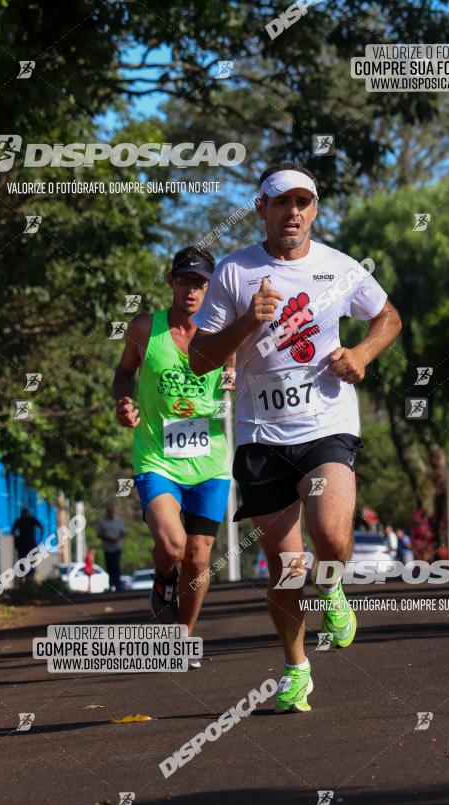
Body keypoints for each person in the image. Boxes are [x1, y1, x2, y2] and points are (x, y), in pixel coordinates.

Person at [189, 161, 402, 711]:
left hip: (327, 423)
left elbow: (389, 319)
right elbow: (199, 360)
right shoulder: (235, 274)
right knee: (286, 569)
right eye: (283, 202)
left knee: (330, 538)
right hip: (261, 434)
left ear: (315, 209)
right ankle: (294, 667)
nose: (294, 212)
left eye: (304, 202)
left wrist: (361, 353)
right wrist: (247, 323)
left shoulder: (339, 266)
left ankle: (331, 587)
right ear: (261, 209)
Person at [112, 246, 232, 652]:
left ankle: (183, 636)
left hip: (210, 462)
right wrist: (123, 402)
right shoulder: (145, 328)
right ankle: (163, 579)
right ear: (171, 282)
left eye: (200, 283)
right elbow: (124, 373)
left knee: (198, 560)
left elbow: (245, 376)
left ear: (210, 287)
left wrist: (234, 378)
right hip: (157, 456)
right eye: (185, 281)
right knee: (173, 546)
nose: (192, 290)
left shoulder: (223, 334)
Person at [95, 506, 126, 590]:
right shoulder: (102, 522)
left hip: (117, 547)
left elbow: (123, 532)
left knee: (116, 564)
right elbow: (98, 534)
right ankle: (111, 583)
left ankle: (118, 583)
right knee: (109, 566)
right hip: (107, 547)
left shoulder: (118, 520)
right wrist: (107, 539)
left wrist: (117, 539)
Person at [11, 507, 44, 584]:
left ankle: (27, 580)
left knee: (27, 562)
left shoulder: (27, 520)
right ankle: (25, 580)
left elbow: (13, 531)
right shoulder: (25, 520)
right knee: (26, 562)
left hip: (26, 545)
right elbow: (41, 527)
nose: (25, 515)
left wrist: (17, 538)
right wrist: (40, 539)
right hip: (26, 545)